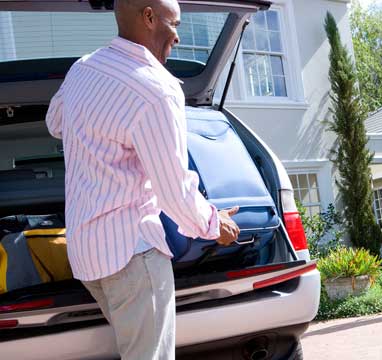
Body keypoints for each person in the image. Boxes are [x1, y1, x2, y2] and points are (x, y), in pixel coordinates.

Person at [45, 0, 240, 358]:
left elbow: (55, 124)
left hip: (89, 256)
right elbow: (174, 192)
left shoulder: (83, 69)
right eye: (174, 23)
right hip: (132, 255)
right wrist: (215, 224)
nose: (178, 36)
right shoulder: (156, 90)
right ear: (149, 17)